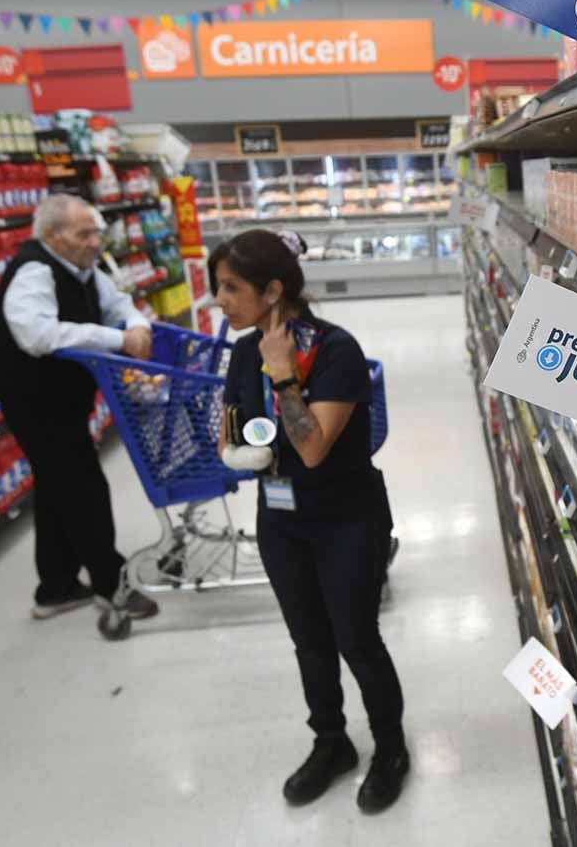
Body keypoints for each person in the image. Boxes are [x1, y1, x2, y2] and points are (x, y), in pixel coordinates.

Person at [212, 229, 408, 812]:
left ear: (273, 290)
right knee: (309, 641)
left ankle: (391, 747)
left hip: (346, 519)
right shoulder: (244, 349)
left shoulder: (334, 350)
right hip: (280, 519)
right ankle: (331, 741)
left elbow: (314, 446)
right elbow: (233, 426)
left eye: (230, 287)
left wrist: (283, 375)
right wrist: (231, 446)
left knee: (356, 639)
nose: (219, 300)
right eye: (216, 287)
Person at [0, 194, 159, 622]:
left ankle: (57, 586)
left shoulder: (85, 269)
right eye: (83, 233)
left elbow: (119, 304)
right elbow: (38, 335)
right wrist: (118, 340)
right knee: (84, 489)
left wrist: (137, 326)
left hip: (65, 399)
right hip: (35, 401)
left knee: (56, 488)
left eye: (96, 232)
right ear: (51, 235)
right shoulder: (34, 271)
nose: (94, 242)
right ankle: (112, 585)